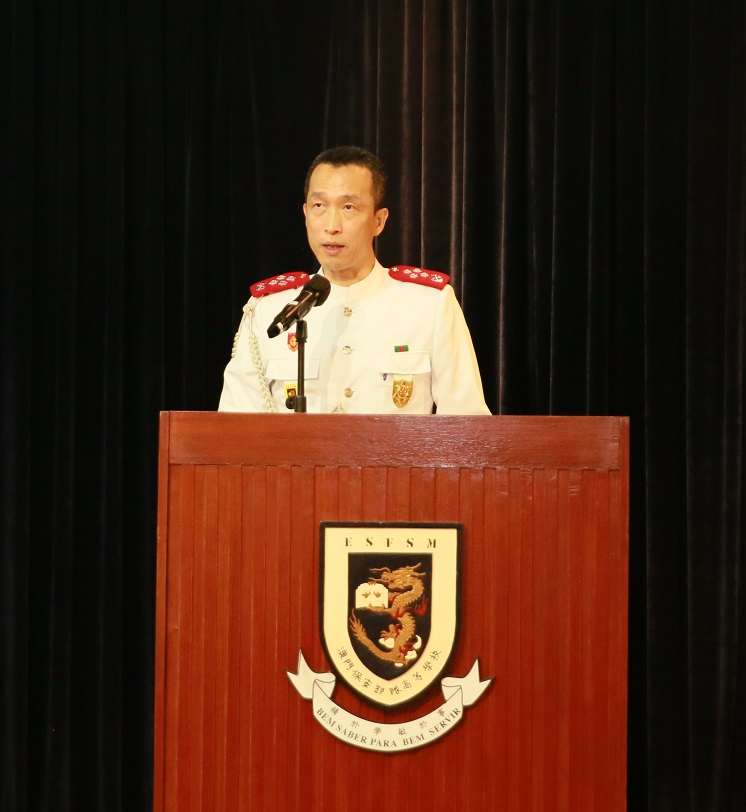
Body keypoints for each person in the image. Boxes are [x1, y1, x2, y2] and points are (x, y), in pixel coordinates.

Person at [218, 146, 490, 415]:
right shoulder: (269, 309)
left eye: (348, 207)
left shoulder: (429, 305)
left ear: (378, 221)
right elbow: (235, 427)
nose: (332, 226)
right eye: (319, 206)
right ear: (305, 214)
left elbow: (468, 424)